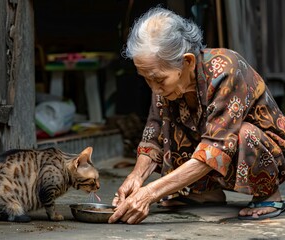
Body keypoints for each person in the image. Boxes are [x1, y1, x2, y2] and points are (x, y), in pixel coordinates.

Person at [108, 6, 285, 225]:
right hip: (217, 148)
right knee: (169, 123)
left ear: (188, 61)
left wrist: (150, 193)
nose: (154, 88)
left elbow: (216, 147)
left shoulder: (227, 70)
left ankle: (268, 195)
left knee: (245, 133)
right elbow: (153, 134)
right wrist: (135, 177)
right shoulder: (166, 85)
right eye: (146, 78)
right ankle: (204, 192)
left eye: (159, 79)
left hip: (267, 151)